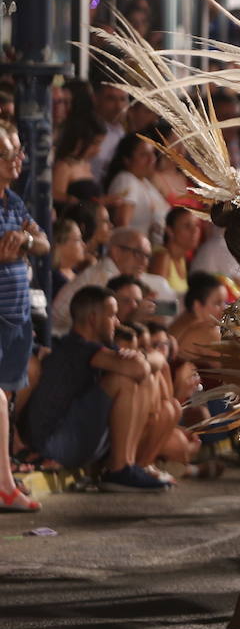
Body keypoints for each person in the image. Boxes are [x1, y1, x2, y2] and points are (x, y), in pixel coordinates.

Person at [17, 286, 168, 491]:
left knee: (142, 379)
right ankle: (119, 468)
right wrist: (143, 357)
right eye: (112, 316)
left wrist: (142, 357)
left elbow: (155, 363)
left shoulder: (98, 348)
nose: (117, 322)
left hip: (71, 441)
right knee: (124, 380)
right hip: (52, 445)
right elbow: (140, 368)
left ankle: (127, 464)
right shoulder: (77, 347)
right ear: (93, 319)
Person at [0, 121, 49, 512]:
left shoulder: (13, 203)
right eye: (8, 153)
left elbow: (43, 241)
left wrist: (27, 241)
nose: (18, 160)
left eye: (17, 151)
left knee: (8, 398)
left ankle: (6, 474)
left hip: (16, 316)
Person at [51, 226, 174, 335]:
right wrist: (136, 316)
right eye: (138, 253)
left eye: (147, 256)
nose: (144, 262)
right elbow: (105, 327)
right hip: (63, 339)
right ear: (116, 252)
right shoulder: (103, 276)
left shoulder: (121, 277)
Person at [104, 133, 170, 240]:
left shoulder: (144, 182)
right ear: (127, 159)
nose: (151, 159)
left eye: (152, 153)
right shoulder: (126, 180)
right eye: (144, 155)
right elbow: (122, 225)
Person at [150, 206, 199, 299]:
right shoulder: (162, 257)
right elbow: (157, 299)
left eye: (196, 225)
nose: (195, 231)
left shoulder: (181, 259)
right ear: (170, 231)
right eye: (187, 226)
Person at [49, 218, 86, 297]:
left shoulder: (76, 272)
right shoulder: (54, 281)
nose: (83, 245)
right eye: (78, 240)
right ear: (60, 244)